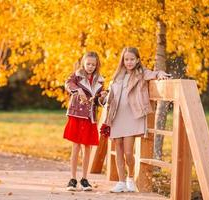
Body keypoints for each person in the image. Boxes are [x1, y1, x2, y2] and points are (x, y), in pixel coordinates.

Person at [100, 47, 170, 193]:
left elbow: (154, 73)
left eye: (132, 59)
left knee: (128, 152)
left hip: (132, 117)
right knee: (118, 149)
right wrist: (103, 98)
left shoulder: (141, 73)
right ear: (123, 60)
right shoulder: (118, 75)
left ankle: (130, 178)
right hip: (117, 116)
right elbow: (111, 94)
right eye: (126, 59)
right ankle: (120, 182)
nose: (129, 62)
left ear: (137, 60)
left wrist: (160, 73)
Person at [63, 51, 108, 191]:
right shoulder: (76, 76)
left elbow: (100, 100)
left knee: (87, 147)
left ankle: (84, 179)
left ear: (97, 65)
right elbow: (68, 84)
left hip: (90, 116)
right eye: (88, 63)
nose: (90, 66)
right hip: (77, 114)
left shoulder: (100, 80)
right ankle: (72, 179)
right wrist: (78, 91)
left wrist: (103, 96)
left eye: (93, 64)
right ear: (83, 63)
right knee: (76, 146)